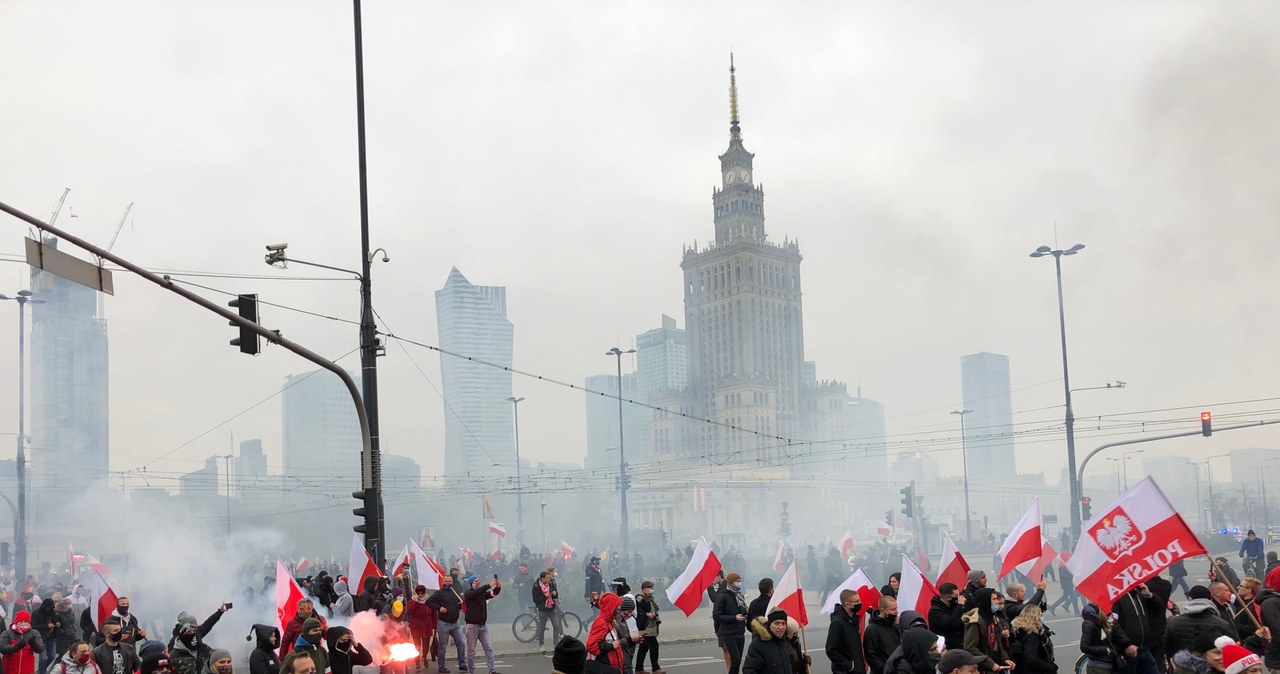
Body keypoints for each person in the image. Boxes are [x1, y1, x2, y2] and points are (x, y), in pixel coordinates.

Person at [1165, 587, 1233, 657]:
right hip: (1213, 665)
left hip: (1184, 665)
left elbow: (1168, 650)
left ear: (1190, 599)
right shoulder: (1222, 624)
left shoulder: (1173, 623)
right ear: (1210, 600)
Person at [1110, 586, 1161, 674]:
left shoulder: (1139, 592)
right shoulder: (1115, 596)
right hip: (1128, 651)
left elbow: (1158, 609)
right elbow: (1112, 623)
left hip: (1144, 647)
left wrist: (1149, 595)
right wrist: (1126, 644)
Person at [962, 588, 1013, 673]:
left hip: (996, 665)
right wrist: (990, 663)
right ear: (985, 601)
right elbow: (970, 647)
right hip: (983, 668)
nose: (997, 602)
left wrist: (1005, 658)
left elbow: (998, 642)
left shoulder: (992, 618)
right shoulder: (975, 621)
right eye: (994, 599)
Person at [424, 573, 467, 673]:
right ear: (443, 582)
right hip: (444, 624)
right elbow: (428, 602)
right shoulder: (439, 593)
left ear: (452, 582)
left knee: (461, 643)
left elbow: (457, 605)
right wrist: (439, 608)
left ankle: (462, 664)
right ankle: (441, 667)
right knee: (442, 646)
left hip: (455, 624)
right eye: (446, 581)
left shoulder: (454, 592)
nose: (448, 583)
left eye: (449, 581)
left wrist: (461, 605)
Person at [169, 605, 230, 674]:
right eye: (194, 624)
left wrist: (220, 612)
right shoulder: (174, 646)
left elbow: (208, 624)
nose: (196, 626)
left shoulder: (197, 633)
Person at [462, 575, 501, 674]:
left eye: (479, 581)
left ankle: (492, 670)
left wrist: (498, 587)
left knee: (489, 648)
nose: (478, 583)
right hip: (472, 627)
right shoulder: (468, 593)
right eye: (476, 581)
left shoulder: (482, 593)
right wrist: (489, 584)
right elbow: (476, 593)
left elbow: (492, 594)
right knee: (471, 652)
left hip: (483, 626)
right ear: (471, 583)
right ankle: (471, 671)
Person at [713, 573, 749, 674]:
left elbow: (742, 612)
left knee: (737, 662)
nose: (739, 583)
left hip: (740, 632)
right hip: (728, 633)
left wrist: (746, 613)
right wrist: (734, 618)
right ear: (731, 582)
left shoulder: (740, 596)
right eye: (737, 581)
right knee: (735, 659)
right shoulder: (723, 597)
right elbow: (717, 616)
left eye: (740, 581)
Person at [825, 590, 865, 674]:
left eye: (860, 600)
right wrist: (848, 666)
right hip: (845, 671)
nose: (860, 603)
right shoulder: (837, 623)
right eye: (857, 601)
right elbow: (831, 649)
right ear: (847, 604)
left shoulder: (853, 619)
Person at [743, 610, 793, 674]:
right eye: (777, 623)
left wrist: (803, 663)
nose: (781, 627)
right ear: (770, 625)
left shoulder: (786, 641)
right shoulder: (758, 644)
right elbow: (749, 670)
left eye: (783, 623)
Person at [586, 593, 625, 673]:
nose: (619, 608)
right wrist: (611, 645)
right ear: (611, 606)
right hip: (606, 666)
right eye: (617, 606)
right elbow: (591, 646)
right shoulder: (601, 622)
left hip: (612, 665)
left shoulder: (609, 620)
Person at [1010, 605, 1056, 674]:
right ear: (1034, 617)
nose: (1042, 618)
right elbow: (1031, 658)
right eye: (1040, 615)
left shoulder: (1023, 631)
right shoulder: (1032, 635)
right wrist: (1050, 667)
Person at [862, 596, 899, 674]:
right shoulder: (872, 629)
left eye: (896, 608)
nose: (896, 612)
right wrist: (887, 669)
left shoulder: (895, 625)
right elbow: (871, 656)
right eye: (892, 609)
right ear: (883, 610)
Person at [405, 584, 438, 670]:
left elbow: (434, 613)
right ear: (416, 592)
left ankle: (424, 657)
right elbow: (409, 611)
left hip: (427, 625)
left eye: (422, 592)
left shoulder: (429, 600)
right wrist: (416, 602)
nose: (420, 594)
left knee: (426, 644)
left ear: (425, 592)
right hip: (416, 625)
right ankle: (417, 661)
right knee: (417, 644)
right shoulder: (413, 600)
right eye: (418, 592)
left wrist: (435, 626)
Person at [1081, 604, 1120, 674]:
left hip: (1108, 664)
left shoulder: (1103, 621)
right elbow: (1084, 647)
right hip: (1098, 665)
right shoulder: (1089, 623)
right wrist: (1105, 650)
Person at [635, 581, 663, 674]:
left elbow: (656, 608)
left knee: (643, 648)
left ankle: (639, 668)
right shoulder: (640, 599)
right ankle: (655, 668)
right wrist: (647, 615)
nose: (651, 589)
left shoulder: (650, 598)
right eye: (649, 587)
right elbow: (640, 611)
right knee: (654, 646)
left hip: (651, 627)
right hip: (646, 627)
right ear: (644, 589)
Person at [931, 583, 968, 650]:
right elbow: (951, 624)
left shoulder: (953, 606)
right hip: (946, 648)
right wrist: (959, 606)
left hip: (959, 646)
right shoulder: (935, 611)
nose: (958, 597)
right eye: (956, 595)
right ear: (948, 597)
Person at [535, 571, 562, 652]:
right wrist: (545, 596)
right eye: (547, 578)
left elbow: (555, 594)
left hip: (552, 608)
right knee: (542, 627)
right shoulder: (536, 586)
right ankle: (541, 644)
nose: (549, 579)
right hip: (543, 609)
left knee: (556, 625)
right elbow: (535, 599)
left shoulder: (551, 584)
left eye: (549, 577)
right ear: (542, 578)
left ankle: (556, 643)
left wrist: (555, 594)